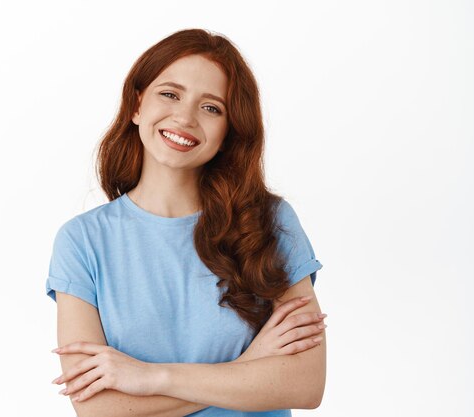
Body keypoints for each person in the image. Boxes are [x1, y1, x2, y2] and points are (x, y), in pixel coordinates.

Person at [45, 28, 327, 416]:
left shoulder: (269, 222)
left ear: (229, 132)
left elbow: (304, 383)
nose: (185, 117)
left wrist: (151, 378)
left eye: (211, 107)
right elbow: (100, 410)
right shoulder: (82, 241)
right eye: (170, 94)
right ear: (137, 104)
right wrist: (249, 368)